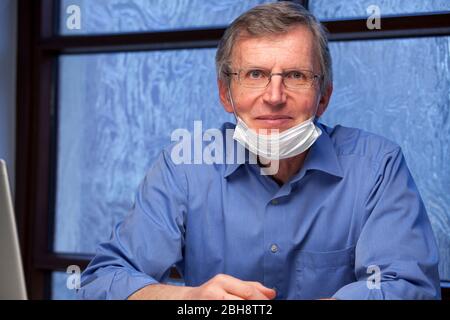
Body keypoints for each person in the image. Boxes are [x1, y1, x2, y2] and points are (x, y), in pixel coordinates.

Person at [78, 2, 441, 300]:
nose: (274, 95)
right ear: (226, 94)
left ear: (324, 97)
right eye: (255, 74)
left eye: (296, 75)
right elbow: (101, 282)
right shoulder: (185, 167)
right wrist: (190, 301)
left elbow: (411, 287)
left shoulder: (377, 167)